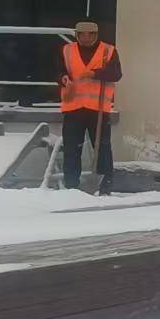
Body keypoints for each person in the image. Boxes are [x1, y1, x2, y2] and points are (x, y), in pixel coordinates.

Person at [59, 20, 122, 194]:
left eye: (91, 34)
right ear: (77, 35)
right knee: (72, 147)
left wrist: (95, 74)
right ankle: (71, 184)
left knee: (101, 147)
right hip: (73, 108)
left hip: (98, 109)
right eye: (82, 35)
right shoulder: (67, 50)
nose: (86, 38)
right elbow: (57, 69)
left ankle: (105, 183)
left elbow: (116, 73)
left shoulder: (108, 51)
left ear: (96, 34)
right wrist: (63, 78)